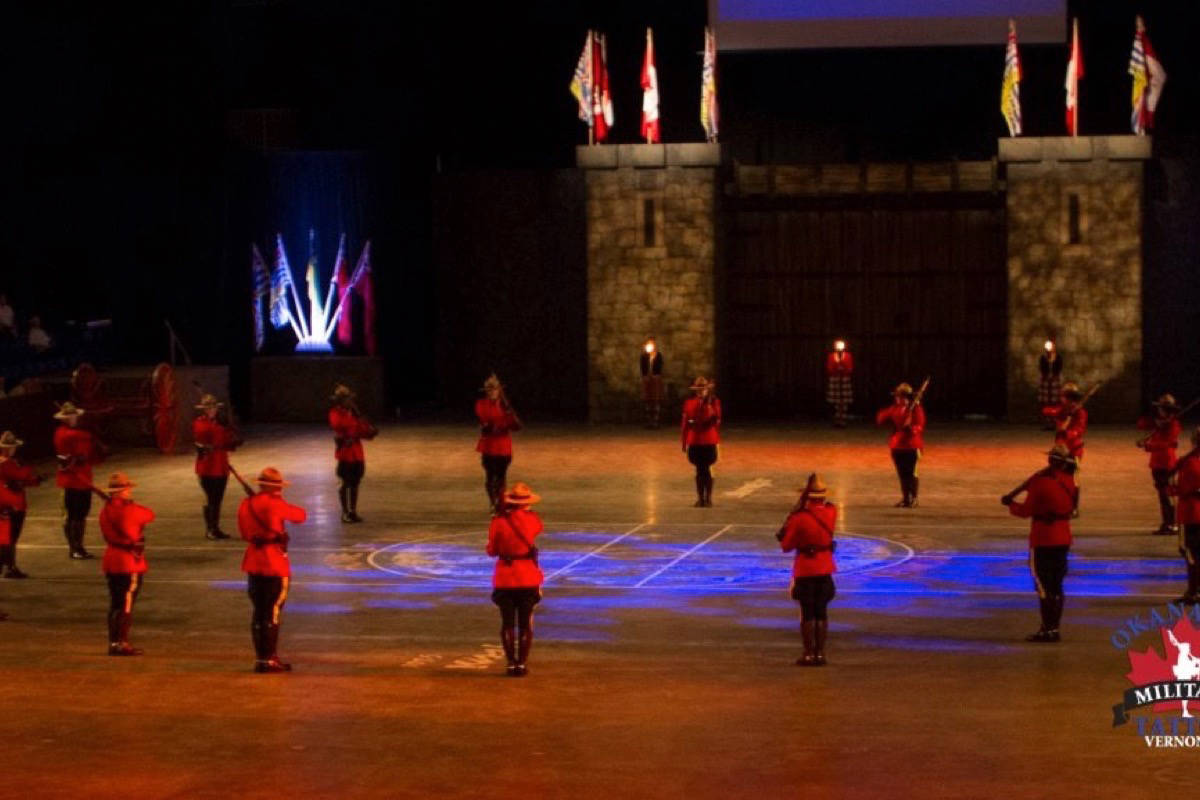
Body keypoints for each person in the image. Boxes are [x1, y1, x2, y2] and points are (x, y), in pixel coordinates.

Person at [1002, 444, 1078, 643]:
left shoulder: (1041, 483)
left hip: (1044, 538)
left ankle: (1047, 629)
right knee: (1057, 585)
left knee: (1043, 587)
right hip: (1063, 537)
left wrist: (1011, 504)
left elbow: (1026, 511)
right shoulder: (1069, 481)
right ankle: (1054, 627)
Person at [238, 467, 306, 673]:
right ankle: (268, 660)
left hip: (253, 561)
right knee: (272, 612)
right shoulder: (275, 504)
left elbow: (244, 532)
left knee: (259, 612)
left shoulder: (246, 504)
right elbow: (300, 515)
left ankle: (262, 658)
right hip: (273, 562)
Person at [777, 473, 838, 666]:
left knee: (807, 613)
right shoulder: (831, 511)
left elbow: (786, 546)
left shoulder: (800, 518)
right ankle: (820, 653)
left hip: (806, 568)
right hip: (826, 567)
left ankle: (808, 653)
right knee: (822, 612)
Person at [486, 481, 543, 677]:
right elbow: (536, 528)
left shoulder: (498, 522)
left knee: (507, 623)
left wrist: (502, 516)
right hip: (528, 576)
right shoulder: (532, 519)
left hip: (505, 578)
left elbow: (491, 551)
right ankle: (522, 663)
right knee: (525, 623)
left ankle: (511, 663)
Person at [99, 473, 154, 656]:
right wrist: (131, 506)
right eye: (126, 488)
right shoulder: (127, 510)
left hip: (112, 559)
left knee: (116, 603)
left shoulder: (107, 509)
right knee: (125, 605)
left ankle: (114, 642)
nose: (130, 490)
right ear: (119, 492)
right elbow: (148, 515)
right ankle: (121, 642)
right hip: (128, 561)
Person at [53, 401, 103, 559]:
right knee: (73, 515)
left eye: (74, 416)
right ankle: (74, 548)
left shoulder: (78, 434)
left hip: (83, 479)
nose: (73, 418)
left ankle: (78, 547)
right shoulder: (65, 433)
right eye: (70, 416)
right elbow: (75, 442)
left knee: (80, 515)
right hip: (71, 480)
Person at [329, 384, 377, 523]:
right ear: (341, 401)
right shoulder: (336, 413)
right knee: (345, 482)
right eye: (347, 399)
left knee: (355, 482)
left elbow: (362, 431)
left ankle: (353, 511)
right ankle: (345, 512)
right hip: (345, 453)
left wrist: (369, 431)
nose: (350, 402)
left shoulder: (353, 414)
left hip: (357, 452)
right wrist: (356, 422)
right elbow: (339, 426)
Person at [193, 394, 238, 540]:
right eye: (208, 408)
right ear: (204, 410)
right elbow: (204, 436)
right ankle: (210, 529)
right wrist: (218, 425)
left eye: (213, 407)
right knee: (211, 498)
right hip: (207, 466)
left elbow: (230, 442)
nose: (211, 410)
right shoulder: (200, 423)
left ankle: (215, 528)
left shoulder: (221, 423)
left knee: (218, 499)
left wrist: (229, 426)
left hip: (221, 465)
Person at [1137, 393, 1182, 536]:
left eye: (1162, 409)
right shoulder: (1160, 422)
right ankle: (1167, 522)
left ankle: (1172, 523)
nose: (1159, 411)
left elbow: (1168, 443)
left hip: (1167, 463)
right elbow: (1141, 424)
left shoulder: (1173, 424)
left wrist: (1149, 446)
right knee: (1162, 495)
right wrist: (1154, 419)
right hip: (1157, 464)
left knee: (1167, 495)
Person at [875, 382, 926, 508]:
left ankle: (914, 498)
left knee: (912, 473)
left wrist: (911, 429)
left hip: (912, 446)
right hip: (898, 446)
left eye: (900, 396)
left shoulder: (916, 409)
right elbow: (880, 418)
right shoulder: (895, 408)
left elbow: (920, 425)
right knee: (902, 474)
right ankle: (905, 498)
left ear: (906, 397)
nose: (897, 398)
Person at [475, 374, 521, 510]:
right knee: (490, 476)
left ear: (499, 390)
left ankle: (500, 502)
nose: (492, 392)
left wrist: (508, 413)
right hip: (489, 446)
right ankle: (492, 502)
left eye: (494, 389)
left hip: (503, 446)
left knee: (501, 476)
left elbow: (516, 426)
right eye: (489, 390)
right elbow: (486, 422)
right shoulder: (481, 404)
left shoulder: (505, 405)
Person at [1042, 382, 1087, 515]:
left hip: (1074, 450)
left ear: (1069, 398)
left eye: (1063, 396)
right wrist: (1063, 413)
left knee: (1074, 480)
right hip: (1060, 449)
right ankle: (1059, 503)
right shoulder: (1063, 410)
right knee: (1056, 477)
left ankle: (1074, 507)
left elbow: (1079, 430)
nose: (1061, 399)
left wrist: (1066, 431)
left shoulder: (1080, 413)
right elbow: (1046, 410)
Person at [0, 430, 40, 578]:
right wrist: (29, 473)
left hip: (8, 503)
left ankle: (9, 566)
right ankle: (10, 567)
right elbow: (24, 476)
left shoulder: (8, 462)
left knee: (7, 538)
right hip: (12, 504)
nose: (13, 449)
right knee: (10, 538)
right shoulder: (8, 463)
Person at [681, 376, 722, 507]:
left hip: (708, 439)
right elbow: (685, 423)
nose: (700, 392)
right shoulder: (689, 403)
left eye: (703, 389)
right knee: (699, 470)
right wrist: (684, 441)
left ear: (707, 390)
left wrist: (708, 405)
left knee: (707, 469)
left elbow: (717, 419)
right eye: (698, 389)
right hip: (695, 440)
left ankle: (708, 498)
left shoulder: (714, 402)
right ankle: (700, 498)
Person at [1170, 428, 1200, 604]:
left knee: (1190, 553)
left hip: (1191, 513)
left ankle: (1193, 590)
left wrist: (1170, 488)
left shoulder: (1189, 463)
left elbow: (1181, 488)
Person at [825, 340, 854, 428]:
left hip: (845, 379)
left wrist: (843, 368)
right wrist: (836, 369)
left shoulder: (848, 356)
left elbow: (850, 368)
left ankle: (843, 420)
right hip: (835, 379)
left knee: (844, 402)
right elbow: (829, 368)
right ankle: (836, 420)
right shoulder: (831, 356)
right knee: (836, 402)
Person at [1037, 340, 1063, 429]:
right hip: (1045, 381)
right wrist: (1046, 376)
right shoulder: (1043, 358)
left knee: (1055, 402)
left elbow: (1059, 367)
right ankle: (1046, 422)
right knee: (1046, 402)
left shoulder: (1058, 357)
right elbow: (1042, 368)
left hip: (1054, 381)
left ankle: (1054, 422)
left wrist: (1054, 376)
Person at [640, 337, 665, 428]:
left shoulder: (658, 356)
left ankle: (656, 421)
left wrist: (656, 375)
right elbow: (642, 368)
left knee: (656, 399)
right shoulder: (644, 356)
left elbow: (660, 367)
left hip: (655, 379)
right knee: (647, 400)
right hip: (647, 380)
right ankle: (648, 421)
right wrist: (645, 376)